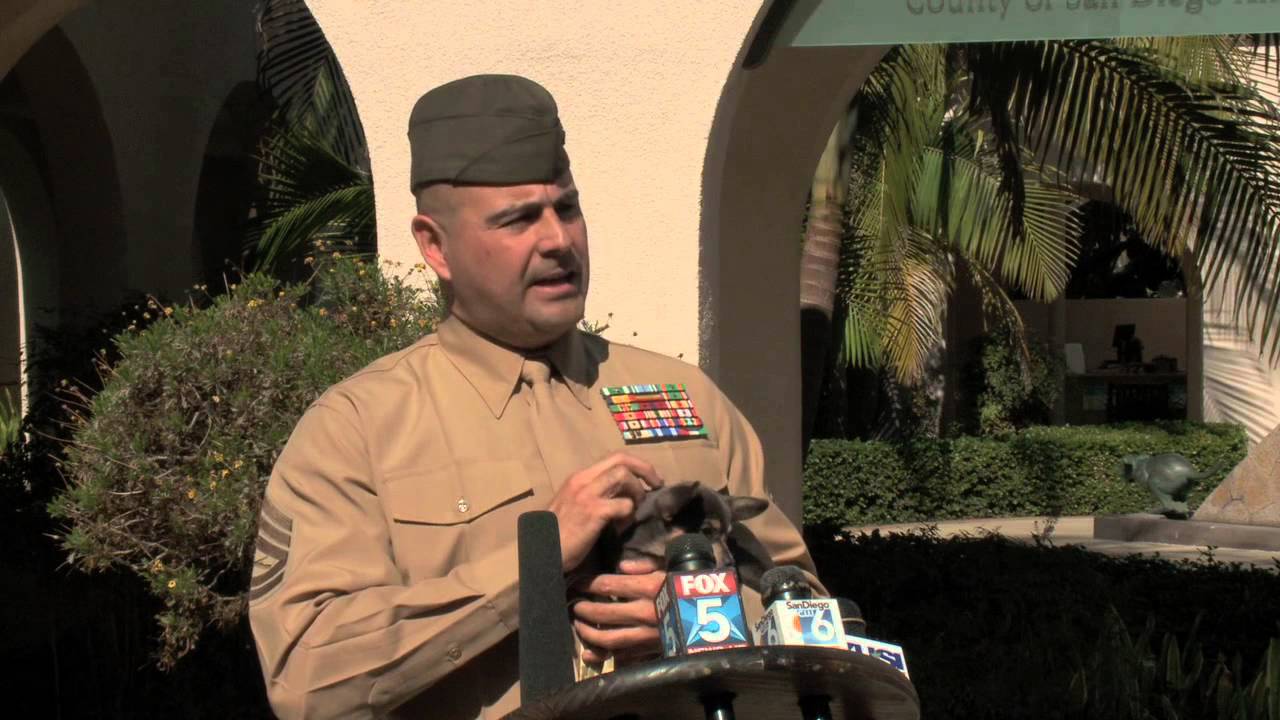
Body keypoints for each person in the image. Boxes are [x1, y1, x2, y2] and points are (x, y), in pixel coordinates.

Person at [248, 74, 823, 720]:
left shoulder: (688, 398)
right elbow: (308, 680)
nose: (558, 240)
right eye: (518, 219)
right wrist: (534, 566)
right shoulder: (356, 430)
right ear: (435, 246)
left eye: (567, 209)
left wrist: (706, 617)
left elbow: (805, 606)